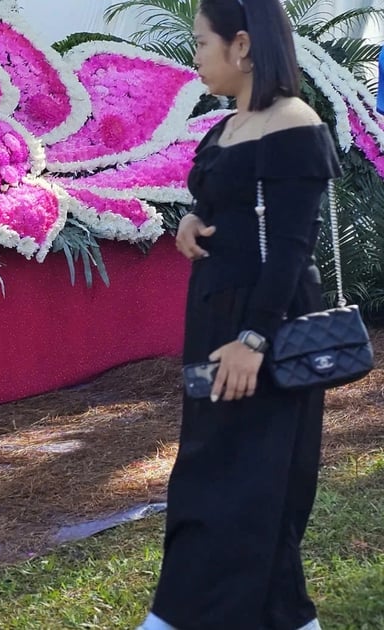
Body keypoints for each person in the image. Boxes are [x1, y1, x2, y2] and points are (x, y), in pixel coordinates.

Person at [139, 0, 341, 629]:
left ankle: (171, 621)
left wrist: (254, 338)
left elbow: (290, 247)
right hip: (214, 329)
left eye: (202, 43)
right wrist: (195, 222)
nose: (194, 56)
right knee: (207, 478)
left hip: (264, 335)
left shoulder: (294, 124)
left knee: (255, 491)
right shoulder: (224, 128)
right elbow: (224, 204)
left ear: (244, 47)